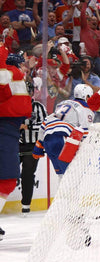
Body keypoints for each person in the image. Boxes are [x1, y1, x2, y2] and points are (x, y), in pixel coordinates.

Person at [0, 46, 32, 240]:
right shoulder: (13, 73)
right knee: (7, 180)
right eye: (22, 64)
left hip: (9, 128)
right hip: (6, 130)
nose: (25, 68)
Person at [33, 84, 94, 178]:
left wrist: (39, 145)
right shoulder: (85, 109)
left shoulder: (63, 104)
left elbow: (45, 122)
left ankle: (62, 193)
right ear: (86, 96)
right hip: (62, 141)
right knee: (71, 177)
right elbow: (85, 131)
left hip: (48, 139)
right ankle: (71, 193)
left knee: (61, 175)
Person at [19, 78, 47, 215]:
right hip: (14, 144)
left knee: (27, 175)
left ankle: (26, 205)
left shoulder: (39, 107)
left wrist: (27, 126)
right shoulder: (11, 106)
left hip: (32, 146)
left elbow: (45, 125)